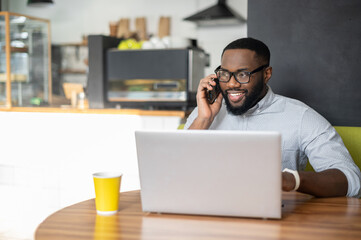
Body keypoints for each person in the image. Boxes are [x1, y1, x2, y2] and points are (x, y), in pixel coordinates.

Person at [184, 37, 361, 198]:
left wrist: (290, 180)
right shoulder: (205, 111)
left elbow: (352, 180)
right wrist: (204, 119)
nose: (231, 83)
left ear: (266, 74)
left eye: (243, 74)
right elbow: (177, 167)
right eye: (225, 74)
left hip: (272, 219)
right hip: (208, 208)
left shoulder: (300, 117)